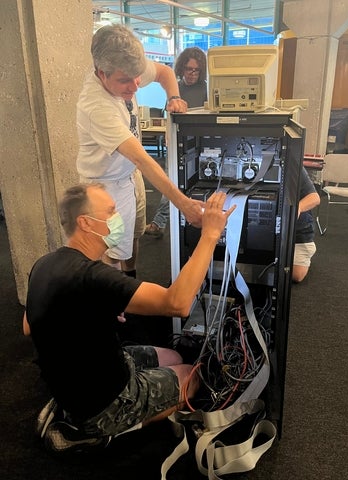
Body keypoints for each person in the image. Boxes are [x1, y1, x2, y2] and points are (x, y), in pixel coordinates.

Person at [23, 183, 235, 449]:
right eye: (111, 211)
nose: (118, 217)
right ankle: (102, 430)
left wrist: (95, 310)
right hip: (106, 400)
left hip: (87, 375)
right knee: (192, 376)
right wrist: (210, 235)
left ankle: (69, 406)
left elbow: (29, 326)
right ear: (86, 223)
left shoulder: (45, 264)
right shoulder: (95, 277)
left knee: (173, 357)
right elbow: (178, 303)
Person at [76, 25, 204, 278]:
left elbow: (164, 72)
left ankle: (129, 280)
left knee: (133, 236)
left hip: (129, 175)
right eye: (125, 80)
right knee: (110, 250)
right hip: (105, 184)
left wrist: (173, 98)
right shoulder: (96, 106)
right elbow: (143, 159)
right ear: (102, 74)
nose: (135, 86)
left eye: (137, 77)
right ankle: (114, 302)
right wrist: (184, 205)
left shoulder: (127, 67)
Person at [145, 47, 208, 238]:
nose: (192, 74)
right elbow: (169, 117)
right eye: (188, 69)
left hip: (201, 143)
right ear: (181, 68)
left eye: (196, 70)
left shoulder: (206, 89)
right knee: (170, 180)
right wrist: (167, 137)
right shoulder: (176, 88)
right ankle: (159, 222)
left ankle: (201, 220)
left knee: (200, 181)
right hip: (178, 142)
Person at [292, 167, 321, 282]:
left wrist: (297, 208)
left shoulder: (294, 165)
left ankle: (306, 250)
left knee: (296, 275)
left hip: (297, 229)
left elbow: (314, 198)